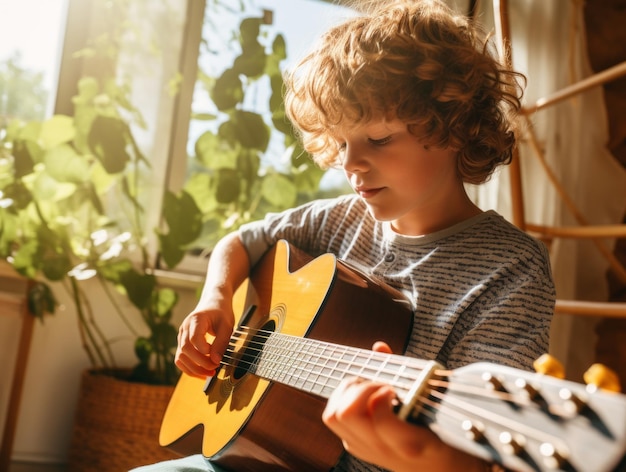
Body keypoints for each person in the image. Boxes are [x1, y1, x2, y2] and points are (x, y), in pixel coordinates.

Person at [133, 0, 555, 471]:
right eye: (340, 143)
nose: (350, 164)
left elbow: (478, 455)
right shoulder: (338, 219)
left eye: (377, 139)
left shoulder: (511, 269)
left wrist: (413, 449)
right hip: (254, 456)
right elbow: (243, 239)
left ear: (453, 125)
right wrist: (214, 299)